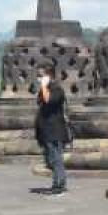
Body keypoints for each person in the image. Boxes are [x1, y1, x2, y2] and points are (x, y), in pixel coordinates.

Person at [34, 64, 69, 196]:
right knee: (50, 159)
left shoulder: (57, 89)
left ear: (49, 76)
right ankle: (56, 182)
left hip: (55, 130)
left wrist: (43, 86)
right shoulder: (45, 89)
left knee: (56, 158)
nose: (39, 78)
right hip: (46, 131)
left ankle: (60, 184)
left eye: (41, 75)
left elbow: (48, 100)